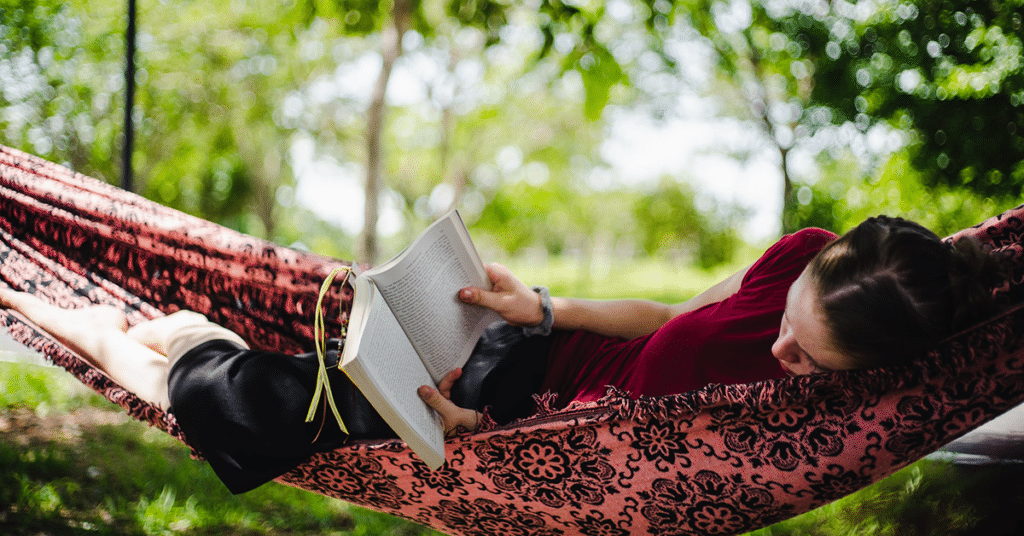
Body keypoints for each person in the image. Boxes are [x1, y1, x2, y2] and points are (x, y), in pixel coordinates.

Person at [0, 215, 1007, 493]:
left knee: (263, 404)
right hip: (514, 358)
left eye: (808, 357)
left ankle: (78, 314)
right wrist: (547, 302)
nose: (780, 345)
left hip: (513, 430)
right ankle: (165, 333)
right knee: (312, 356)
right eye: (790, 314)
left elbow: (617, 462)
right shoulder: (798, 256)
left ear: (862, 375)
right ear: (811, 265)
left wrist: (481, 430)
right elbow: (667, 314)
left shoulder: (813, 424)